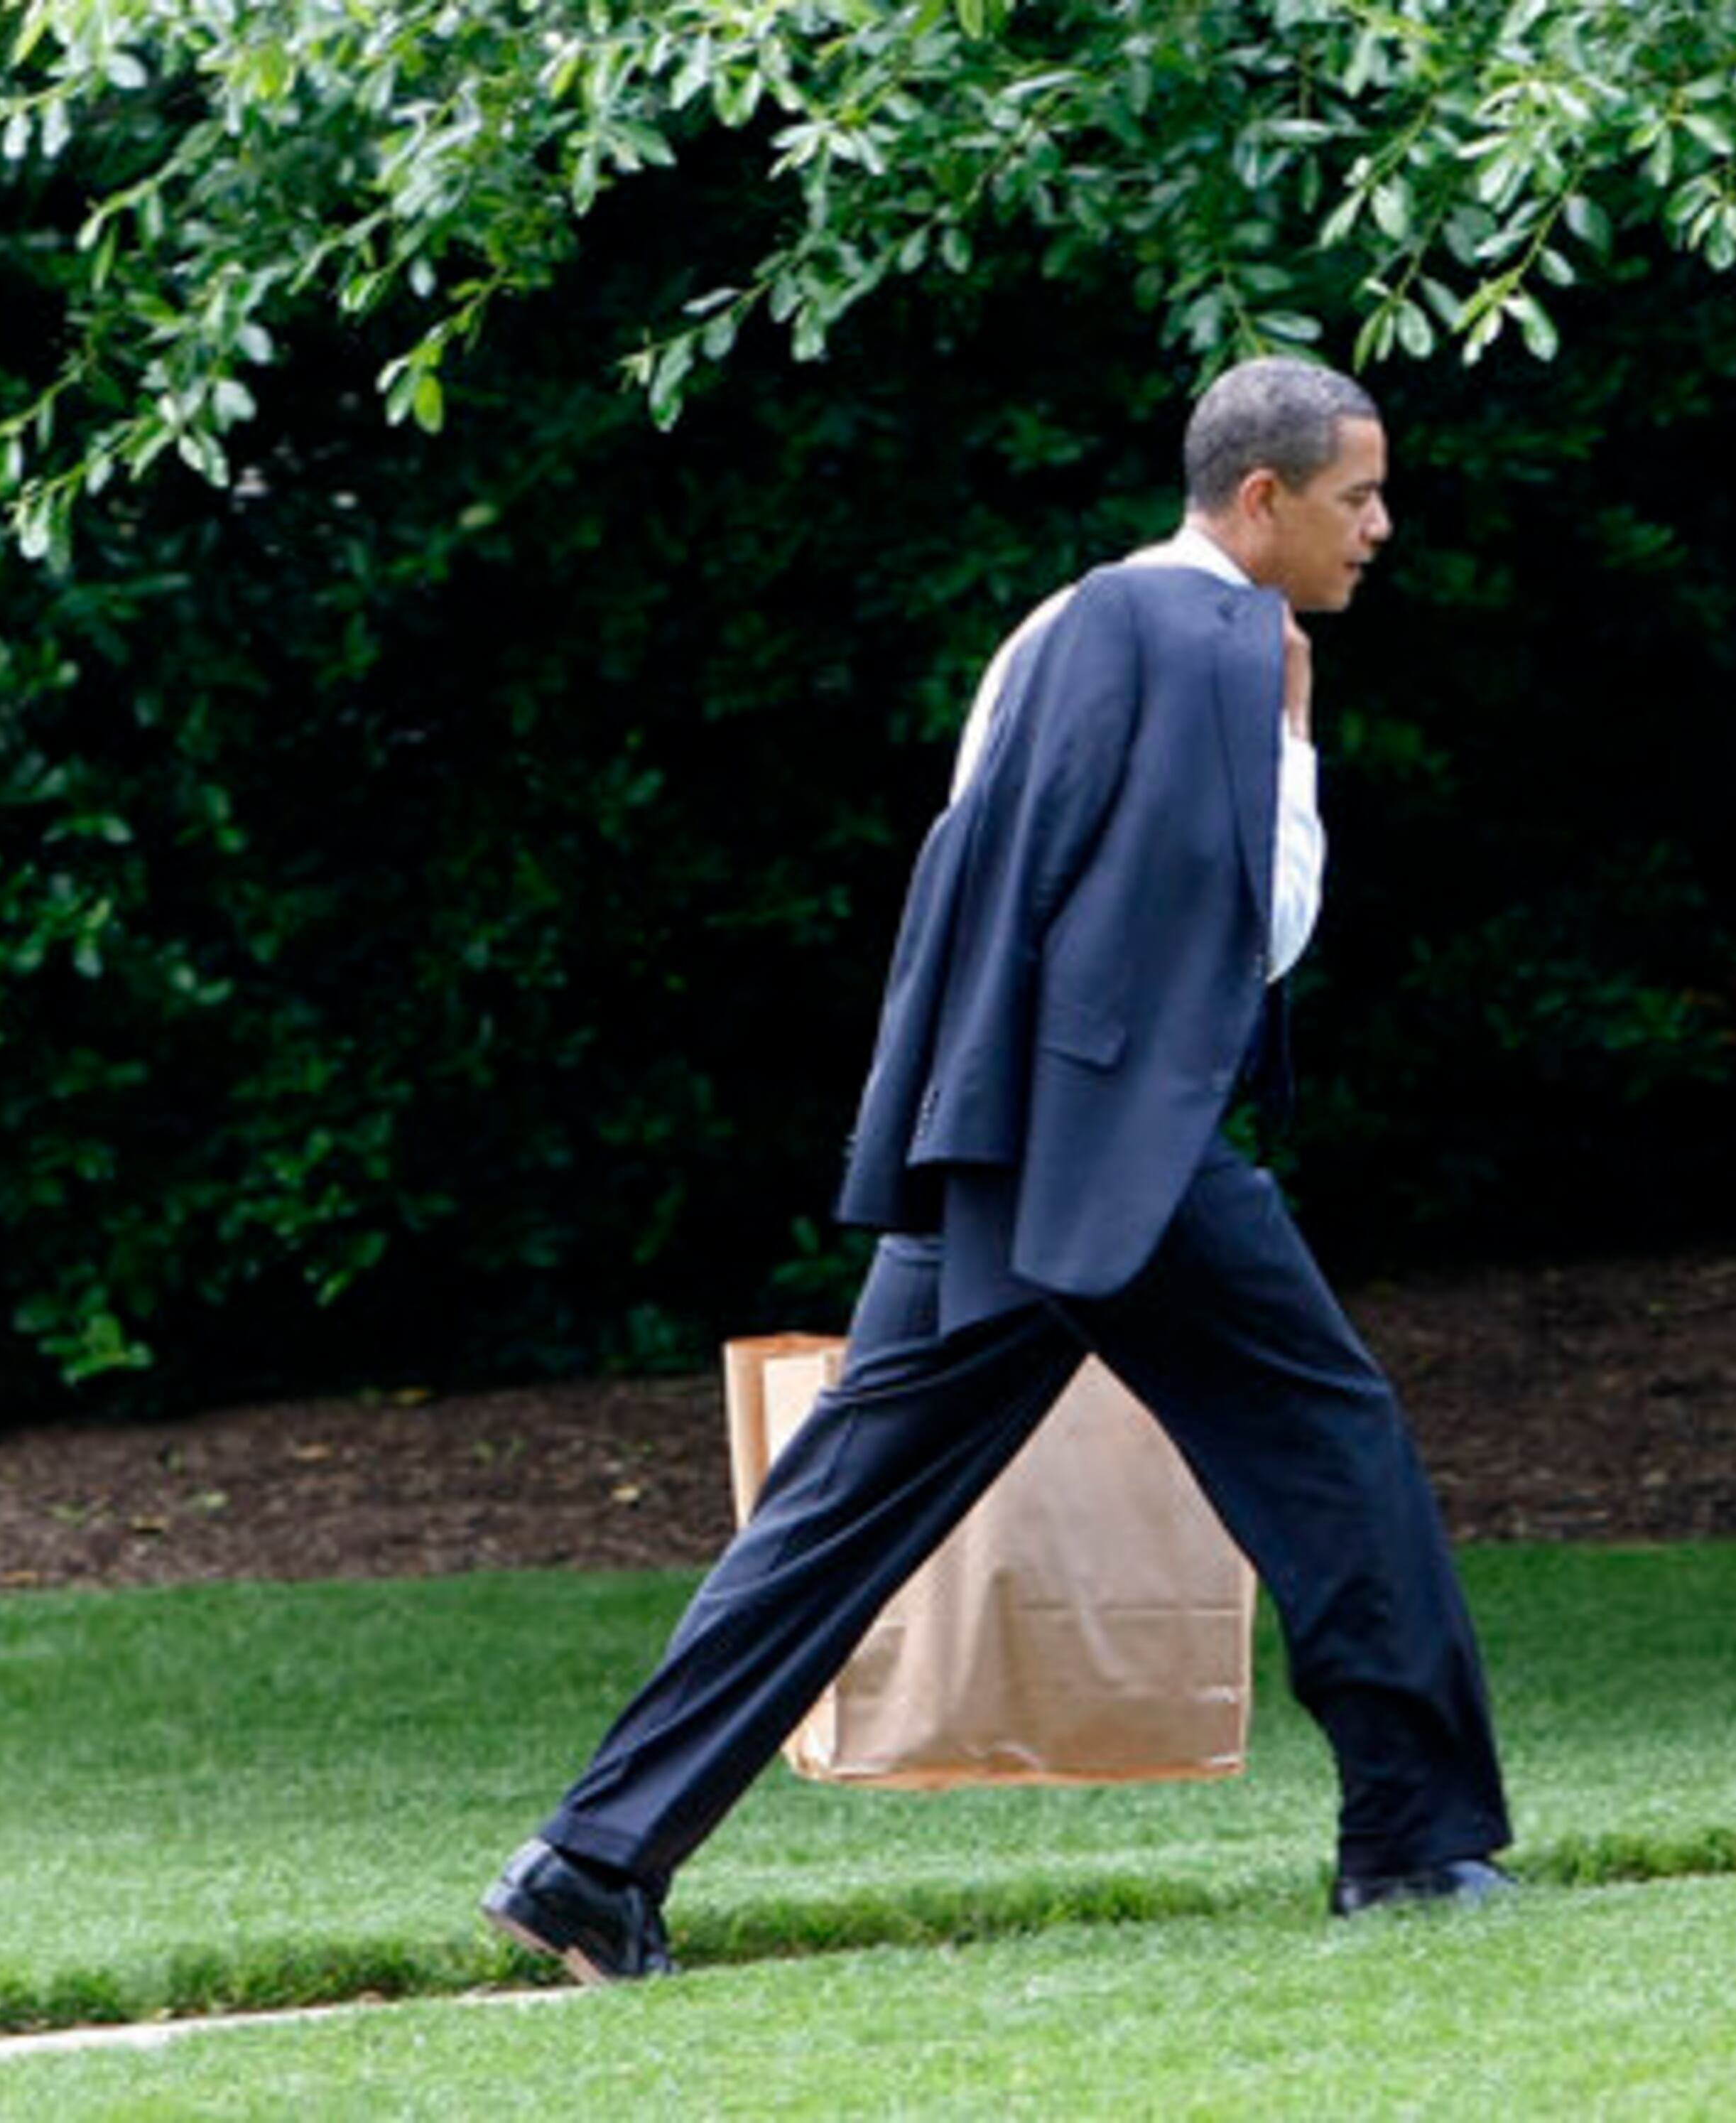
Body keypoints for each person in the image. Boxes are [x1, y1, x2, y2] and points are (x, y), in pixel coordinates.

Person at [482, 355, 1514, 1984]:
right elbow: (1256, 935)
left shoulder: (1057, 626)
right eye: (1356, 497)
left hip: (994, 1144)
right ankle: (1412, 1846)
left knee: (834, 1510)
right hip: (1132, 1158)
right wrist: (1298, 740)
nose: (1381, 527)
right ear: (1261, 502)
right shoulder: (1230, 645)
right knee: (1336, 1452)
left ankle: (587, 1862)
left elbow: (978, 868)